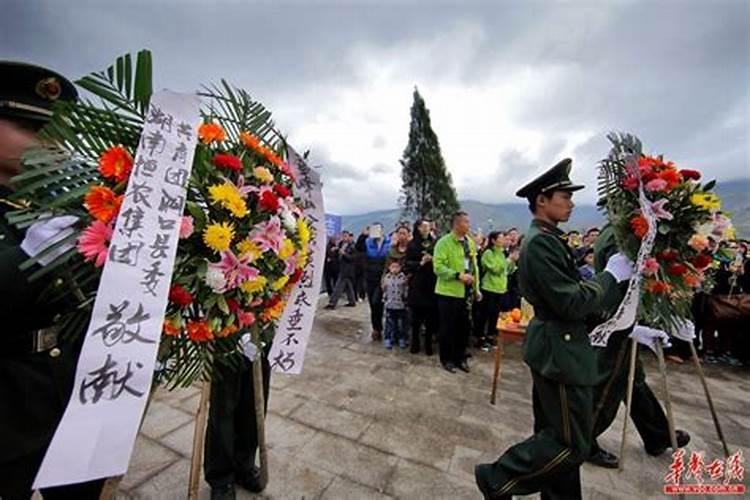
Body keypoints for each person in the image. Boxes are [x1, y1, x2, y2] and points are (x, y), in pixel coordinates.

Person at [475, 158, 633, 500]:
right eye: (564, 195)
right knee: (572, 443)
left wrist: (623, 323)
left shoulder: (549, 238)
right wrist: (609, 277)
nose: (571, 203)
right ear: (542, 200)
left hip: (558, 345)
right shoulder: (542, 242)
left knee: (553, 433)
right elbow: (570, 302)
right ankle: (496, 477)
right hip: (560, 351)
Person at [0, 62, 105, 499]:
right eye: (27, 125)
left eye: (56, 132)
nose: (47, 143)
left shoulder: (67, 204)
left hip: (71, 395)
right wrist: (26, 262)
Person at [586, 224, 690, 470]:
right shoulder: (619, 236)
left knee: (634, 381)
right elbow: (621, 285)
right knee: (607, 385)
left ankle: (657, 434)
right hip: (616, 320)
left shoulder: (619, 231)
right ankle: (582, 440)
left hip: (625, 319)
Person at [205, 335, 271, 500]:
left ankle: (244, 465)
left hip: (262, 328)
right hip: (227, 334)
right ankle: (221, 478)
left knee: (254, 405)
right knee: (223, 409)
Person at [432, 211, 480, 373]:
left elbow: (474, 267)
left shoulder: (469, 243)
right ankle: (447, 359)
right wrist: (458, 276)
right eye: (466, 222)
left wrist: (476, 289)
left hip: (466, 293)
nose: (468, 225)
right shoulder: (443, 243)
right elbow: (438, 267)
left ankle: (461, 358)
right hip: (448, 293)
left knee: (464, 327)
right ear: (456, 224)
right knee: (447, 328)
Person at [475, 231, 515, 349]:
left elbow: (507, 271)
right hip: (489, 288)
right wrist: (507, 261)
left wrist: (511, 262)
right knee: (484, 314)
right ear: (493, 240)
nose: (503, 241)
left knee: (494, 315)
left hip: (500, 289)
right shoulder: (488, 253)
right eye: (501, 238)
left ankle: (490, 337)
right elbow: (495, 269)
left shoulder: (502, 253)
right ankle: (480, 338)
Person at [404, 219, 438, 355]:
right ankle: (415, 343)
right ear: (418, 228)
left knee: (430, 317)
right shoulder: (412, 244)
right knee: (416, 318)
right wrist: (421, 262)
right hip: (417, 284)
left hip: (432, 283)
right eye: (424, 226)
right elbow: (407, 265)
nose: (427, 228)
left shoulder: (435, 243)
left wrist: (433, 259)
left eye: (429, 226)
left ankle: (429, 344)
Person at [364, 223, 390, 340]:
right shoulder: (368, 242)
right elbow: (358, 249)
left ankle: (382, 328)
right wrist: (363, 235)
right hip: (370, 277)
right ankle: (377, 328)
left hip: (383, 277)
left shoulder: (389, 242)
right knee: (373, 304)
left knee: (379, 303)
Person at [325, 231, 357, 309]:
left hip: (347, 269)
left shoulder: (353, 246)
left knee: (338, 286)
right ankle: (352, 301)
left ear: (349, 237)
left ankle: (332, 303)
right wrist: (335, 250)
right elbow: (338, 254)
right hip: (341, 267)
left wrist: (344, 254)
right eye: (343, 236)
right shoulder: (341, 244)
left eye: (346, 236)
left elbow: (352, 258)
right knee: (348, 285)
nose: (344, 238)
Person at [382, 260, 409, 349]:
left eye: (397, 267)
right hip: (390, 304)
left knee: (401, 324)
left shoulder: (403, 278)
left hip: (401, 305)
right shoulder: (387, 278)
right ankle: (388, 338)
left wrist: (406, 300)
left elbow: (406, 289)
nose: (395, 269)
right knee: (389, 323)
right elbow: (384, 291)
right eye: (392, 267)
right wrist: (384, 300)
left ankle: (402, 338)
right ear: (389, 268)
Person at [354, 226, 369, 301]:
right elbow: (357, 246)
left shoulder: (369, 240)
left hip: (364, 262)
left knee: (362, 280)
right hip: (359, 262)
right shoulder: (361, 238)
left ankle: (362, 295)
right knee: (359, 280)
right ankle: (358, 295)